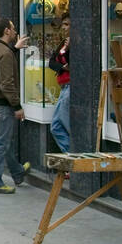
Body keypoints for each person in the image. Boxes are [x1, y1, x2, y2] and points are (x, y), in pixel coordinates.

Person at [0, 18, 31, 194]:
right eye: (12, 27)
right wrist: (17, 106)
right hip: (3, 105)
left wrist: (15, 49)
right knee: (1, 143)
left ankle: (17, 172)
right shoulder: (5, 54)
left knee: (4, 140)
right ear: (7, 31)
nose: (15, 29)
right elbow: (7, 84)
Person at [47, 16, 72, 154]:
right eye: (63, 24)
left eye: (67, 24)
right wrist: (63, 67)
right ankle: (71, 155)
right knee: (56, 127)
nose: (63, 27)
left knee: (63, 124)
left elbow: (74, 65)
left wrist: (68, 49)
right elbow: (51, 62)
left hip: (70, 87)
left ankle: (73, 157)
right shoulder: (63, 43)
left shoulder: (77, 43)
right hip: (63, 87)